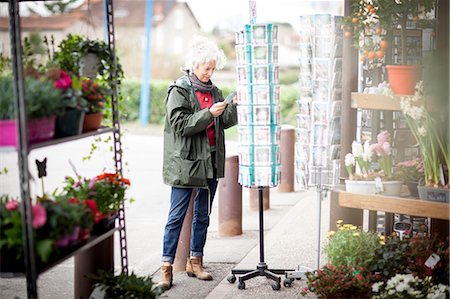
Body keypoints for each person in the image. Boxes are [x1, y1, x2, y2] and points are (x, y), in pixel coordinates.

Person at [158, 36, 238, 290]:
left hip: (211, 161)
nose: (211, 73)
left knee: (202, 215)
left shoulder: (214, 90)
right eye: (207, 68)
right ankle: (166, 267)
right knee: (176, 216)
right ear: (194, 64)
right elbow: (180, 126)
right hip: (187, 163)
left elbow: (224, 122)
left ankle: (196, 261)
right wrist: (208, 114)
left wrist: (232, 106)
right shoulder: (179, 90)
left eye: (214, 68)